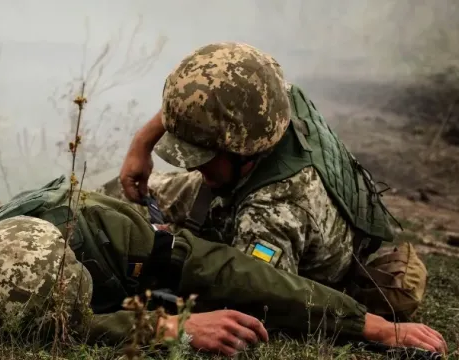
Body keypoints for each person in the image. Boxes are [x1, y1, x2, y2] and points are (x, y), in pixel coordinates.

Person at [0, 181, 447, 357]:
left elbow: (239, 275)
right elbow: (71, 326)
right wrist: (169, 328)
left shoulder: (114, 234)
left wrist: (370, 324)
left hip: (96, 214)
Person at [98, 41, 427, 321]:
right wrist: (142, 144)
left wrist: (172, 256)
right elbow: (205, 96)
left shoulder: (274, 211)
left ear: (242, 148)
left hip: (285, 235)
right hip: (244, 182)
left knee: (134, 244)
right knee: (112, 201)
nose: (196, 168)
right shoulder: (266, 98)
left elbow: (254, 299)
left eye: (204, 158)